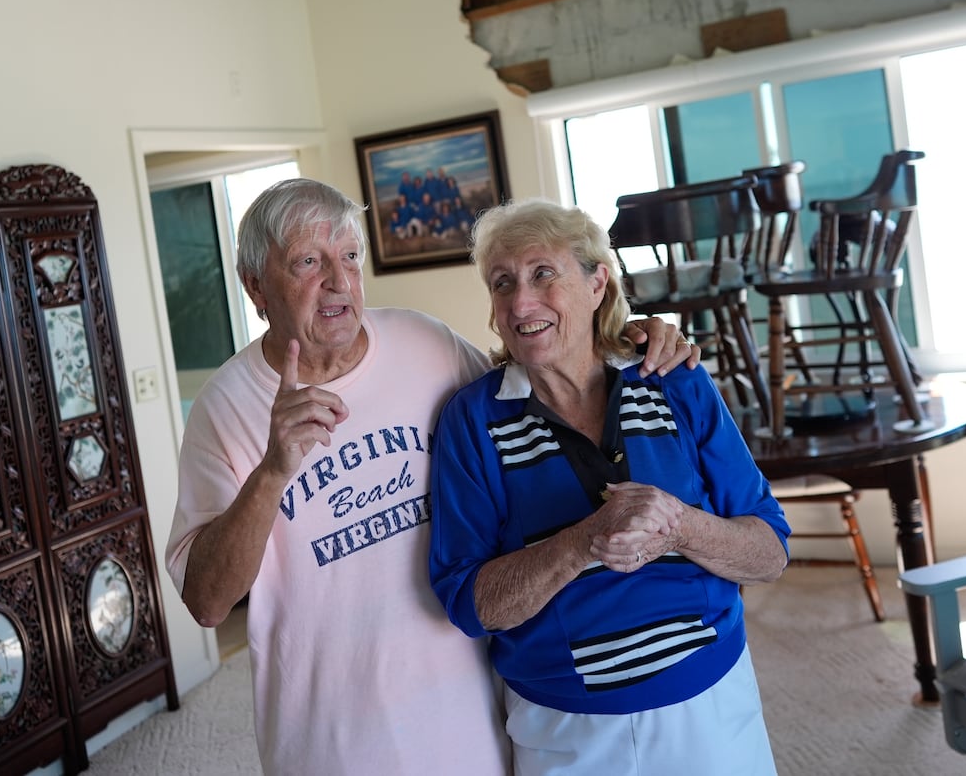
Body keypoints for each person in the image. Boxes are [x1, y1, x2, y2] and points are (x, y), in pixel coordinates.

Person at [164, 178, 697, 776]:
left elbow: (532, 379)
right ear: (255, 286)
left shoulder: (423, 342)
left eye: (349, 257)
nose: (338, 282)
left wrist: (625, 336)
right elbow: (208, 603)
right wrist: (272, 472)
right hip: (330, 743)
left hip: (473, 721)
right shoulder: (225, 406)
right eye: (309, 262)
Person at [428, 198, 791, 776]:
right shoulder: (473, 420)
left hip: (710, 702)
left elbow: (769, 553)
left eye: (543, 274)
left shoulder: (671, 378)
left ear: (598, 282)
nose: (522, 302)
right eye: (503, 284)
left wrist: (678, 525)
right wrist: (585, 541)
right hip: (567, 730)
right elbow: (474, 605)